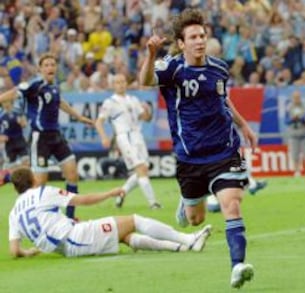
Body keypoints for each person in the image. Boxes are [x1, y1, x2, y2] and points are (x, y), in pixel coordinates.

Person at [139, 8, 255, 289]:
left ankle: (237, 265)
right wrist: (151, 54)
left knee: (232, 203)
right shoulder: (171, 68)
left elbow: (223, 100)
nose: (200, 41)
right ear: (181, 43)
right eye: (193, 37)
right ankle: (186, 200)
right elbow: (144, 81)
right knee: (195, 219)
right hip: (190, 157)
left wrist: (244, 126)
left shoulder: (219, 68)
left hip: (225, 150)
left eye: (202, 35)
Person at [8, 167, 211, 258]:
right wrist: (110, 193)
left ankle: (181, 248)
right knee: (133, 220)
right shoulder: (43, 191)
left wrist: (29, 252)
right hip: (75, 239)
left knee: (125, 235)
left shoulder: (13, 213)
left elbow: (15, 250)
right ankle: (188, 239)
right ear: (34, 180)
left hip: (70, 241)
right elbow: (83, 200)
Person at [0, 52, 94, 219]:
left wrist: (79, 117)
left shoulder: (54, 86)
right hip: (40, 138)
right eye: (47, 65)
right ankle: (23, 214)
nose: (51, 67)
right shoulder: (34, 84)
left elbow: (60, 102)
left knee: (72, 174)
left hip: (56, 136)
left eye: (53, 64)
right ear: (40, 69)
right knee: (38, 184)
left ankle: (70, 218)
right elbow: (14, 93)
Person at [95, 73, 161, 209]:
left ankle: (122, 193)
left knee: (143, 170)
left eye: (123, 81)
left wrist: (149, 112)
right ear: (113, 85)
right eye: (118, 82)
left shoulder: (134, 99)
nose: (121, 84)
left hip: (137, 136)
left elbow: (145, 118)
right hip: (125, 136)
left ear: (126, 83)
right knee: (141, 169)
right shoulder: (110, 102)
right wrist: (104, 137)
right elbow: (99, 122)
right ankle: (153, 203)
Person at [285, 91, 305, 177]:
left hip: (304, 133)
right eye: (295, 97)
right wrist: (293, 119)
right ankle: (297, 171)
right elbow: (286, 121)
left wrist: (301, 118)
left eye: (298, 97)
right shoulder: (289, 108)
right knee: (295, 154)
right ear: (292, 98)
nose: (296, 99)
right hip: (293, 134)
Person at [0, 100, 29, 172]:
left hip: (20, 140)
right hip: (8, 143)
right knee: (10, 167)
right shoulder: (1, 114)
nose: (5, 104)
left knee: (26, 162)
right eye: (3, 102)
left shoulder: (18, 112)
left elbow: (25, 124)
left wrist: (22, 122)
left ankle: (25, 180)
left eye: (7, 101)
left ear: (11, 102)